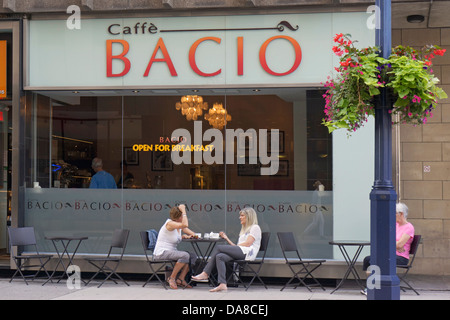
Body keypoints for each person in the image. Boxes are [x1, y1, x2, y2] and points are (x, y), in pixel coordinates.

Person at [191, 207, 262, 292]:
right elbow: (236, 246)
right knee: (220, 256)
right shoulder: (244, 229)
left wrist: (234, 246)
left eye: (242, 215)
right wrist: (226, 238)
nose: (240, 217)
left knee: (218, 247)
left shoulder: (255, 227)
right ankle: (222, 284)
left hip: (248, 254)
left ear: (249, 217)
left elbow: (248, 243)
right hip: (241, 251)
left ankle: (205, 273)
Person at [361, 202, 415, 294]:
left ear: (401, 214)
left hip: (401, 257)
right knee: (368, 259)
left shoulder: (409, 227)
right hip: (390, 253)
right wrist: (395, 245)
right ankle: (371, 287)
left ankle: (373, 290)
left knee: (378, 261)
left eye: (394, 213)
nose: (392, 215)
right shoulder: (395, 225)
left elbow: (399, 245)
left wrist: (395, 245)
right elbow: (384, 238)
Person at [153, 204, 196, 289]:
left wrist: (185, 236)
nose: (183, 218)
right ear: (179, 217)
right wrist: (184, 211)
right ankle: (171, 278)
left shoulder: (178, 225)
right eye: (182, 216)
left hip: (171, 251)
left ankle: (180, 279)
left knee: (192, 256)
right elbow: (185, 225)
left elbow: (192, 233)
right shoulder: (170, 224)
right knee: (185, 255)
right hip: (162, 252)